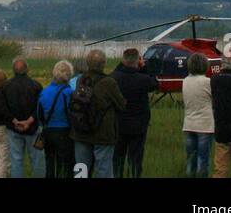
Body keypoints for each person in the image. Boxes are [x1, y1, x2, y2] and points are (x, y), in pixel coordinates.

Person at [69, 49, 125, 179]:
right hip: (103, 134)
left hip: (81, 130)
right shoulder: (109, 83)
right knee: (103, 169)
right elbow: (122, 105)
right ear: (104, 63)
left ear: (87, 63)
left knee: (81, 170)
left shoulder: (80, 80)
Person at [111, 47, 158, 178]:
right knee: (136, 160)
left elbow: (114, 73)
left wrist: (122, 64)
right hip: (138, 126)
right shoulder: (143, 79)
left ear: (123, 61)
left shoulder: (114, 78)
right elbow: (154, 82)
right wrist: (144, 67)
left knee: (117, 159)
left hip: (119, 125)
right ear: (138, 61)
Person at [3, 58, 43, 178]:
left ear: (13, 70)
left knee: (16, 160)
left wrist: (15, 121)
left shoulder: (6, 86)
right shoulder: (36, 85)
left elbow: (4, 108)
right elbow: (40, 107)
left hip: (13, 128)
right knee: (37, 160)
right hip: (33, 128)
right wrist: (30, 121)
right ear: (27, 69)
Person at [36, 60, 73, 178]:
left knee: (50, 163)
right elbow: (72, 115)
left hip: (48, 132)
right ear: (69, 74)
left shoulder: (44, 92)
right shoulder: (69, 93)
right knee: (67, 164)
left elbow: (39, 114)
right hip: (64, 132)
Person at [181, 52, 214, 178]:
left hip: (189, 125)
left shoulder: (185, 81)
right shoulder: (208, 82)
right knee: (203, 159)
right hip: (205, 126)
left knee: (191, 159)